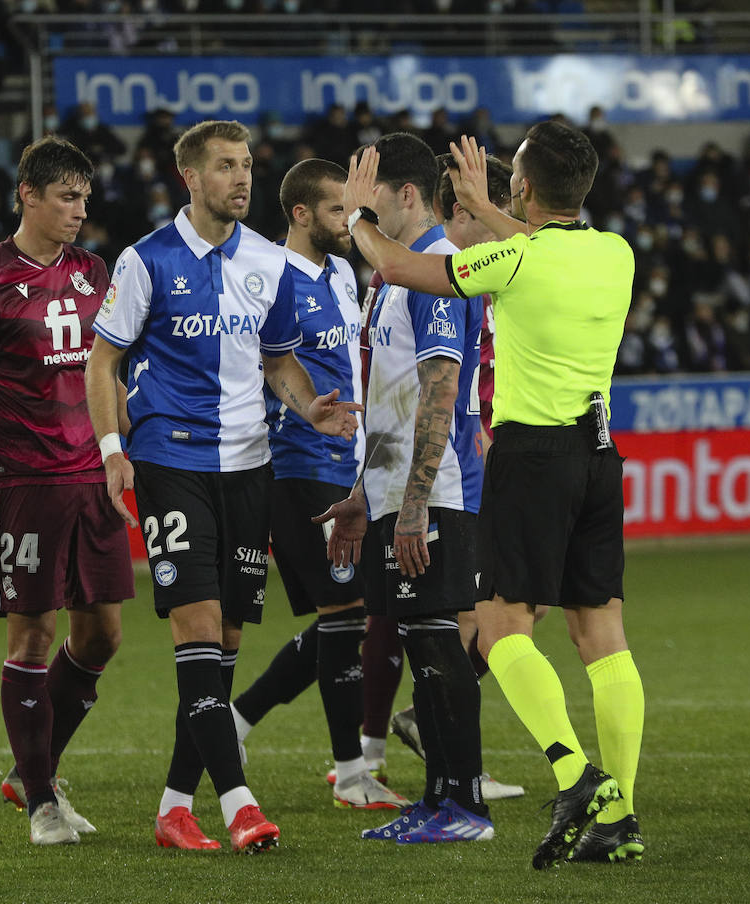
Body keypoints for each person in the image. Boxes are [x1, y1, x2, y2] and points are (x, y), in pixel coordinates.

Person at [343, 124, 642, 867]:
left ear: (525, 190)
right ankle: (620, 815)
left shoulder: (503, 261)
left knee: (503, 627)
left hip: (533, 458)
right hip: (603, 458)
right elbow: (545, 245)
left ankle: (576, 777)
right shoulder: (616, 253)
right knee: (602, 636)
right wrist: (495, 201)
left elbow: (404, 266)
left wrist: (356, 221)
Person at [86, 120, 360, 853]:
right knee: (198, 628)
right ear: (191, 178)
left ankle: (176, 806)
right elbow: (101, 361)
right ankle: (239, 802)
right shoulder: (146, 261)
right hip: (170, 462)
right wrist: (114, 448)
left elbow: (279, 362)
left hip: (250, 467)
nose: (242, 179)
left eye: (246, 165)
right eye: (226, 167)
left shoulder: (268, 262)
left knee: (227, 641)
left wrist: (312, 407)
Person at [0, 135, 134, 846]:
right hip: (26, 483)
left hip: (92, 478)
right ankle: (40, 803)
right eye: (65, 197)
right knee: (32, 635)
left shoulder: (96, 272)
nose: (78, 211)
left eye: (84, 197)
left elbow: (108, 372)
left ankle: (36, 769)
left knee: (103, 635)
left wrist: (117, 449)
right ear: (27, 195)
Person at [321, 131, 492, 845]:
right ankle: (439, 799)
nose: (358, 215)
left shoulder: (440, 271)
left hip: (435, 493)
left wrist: (417, 502)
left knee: (439, 647)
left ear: (408, 195)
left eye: (371, 199)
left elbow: (440, 390)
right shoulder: (396, 280)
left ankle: (466, 806)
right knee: (423, 647)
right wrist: (367, 493)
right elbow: (390, 398)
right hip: (394, 492)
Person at [228, 158, 408, 812]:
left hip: (347, 462)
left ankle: (239, 719)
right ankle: (352, 774)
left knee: (349, 614)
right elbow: (263, 369)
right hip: (295, 463)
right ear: (301, 214)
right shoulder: (267, 279)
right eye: (337, 211)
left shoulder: (339, 271)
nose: (348, 222)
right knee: (346, 614)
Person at [380, 152, 529, 803]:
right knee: (460, 620)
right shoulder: (442, 274)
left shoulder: (472, 279)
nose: (506, 231)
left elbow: (454, 386)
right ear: (461, 206)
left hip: (457, 471)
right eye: (494, 216)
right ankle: (449, 779)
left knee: (481, 615)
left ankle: (452, 779)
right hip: (450, 471)